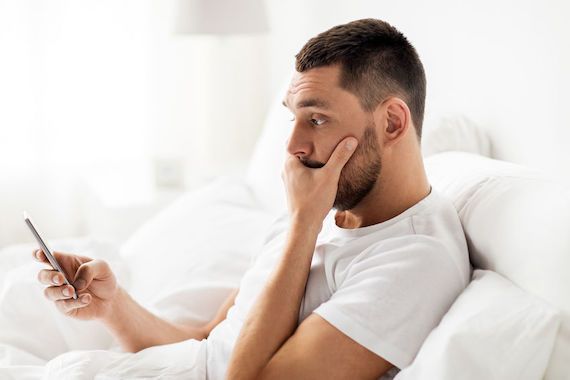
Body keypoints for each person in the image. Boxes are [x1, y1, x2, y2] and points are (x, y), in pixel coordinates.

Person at [33, 18, 471, 379]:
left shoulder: (414, 258)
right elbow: (208, 343)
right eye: (293, 118)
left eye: (317, 119)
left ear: (393, 123)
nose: (293, 147)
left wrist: (304, 224)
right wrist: (112, 306)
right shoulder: (317, 210)